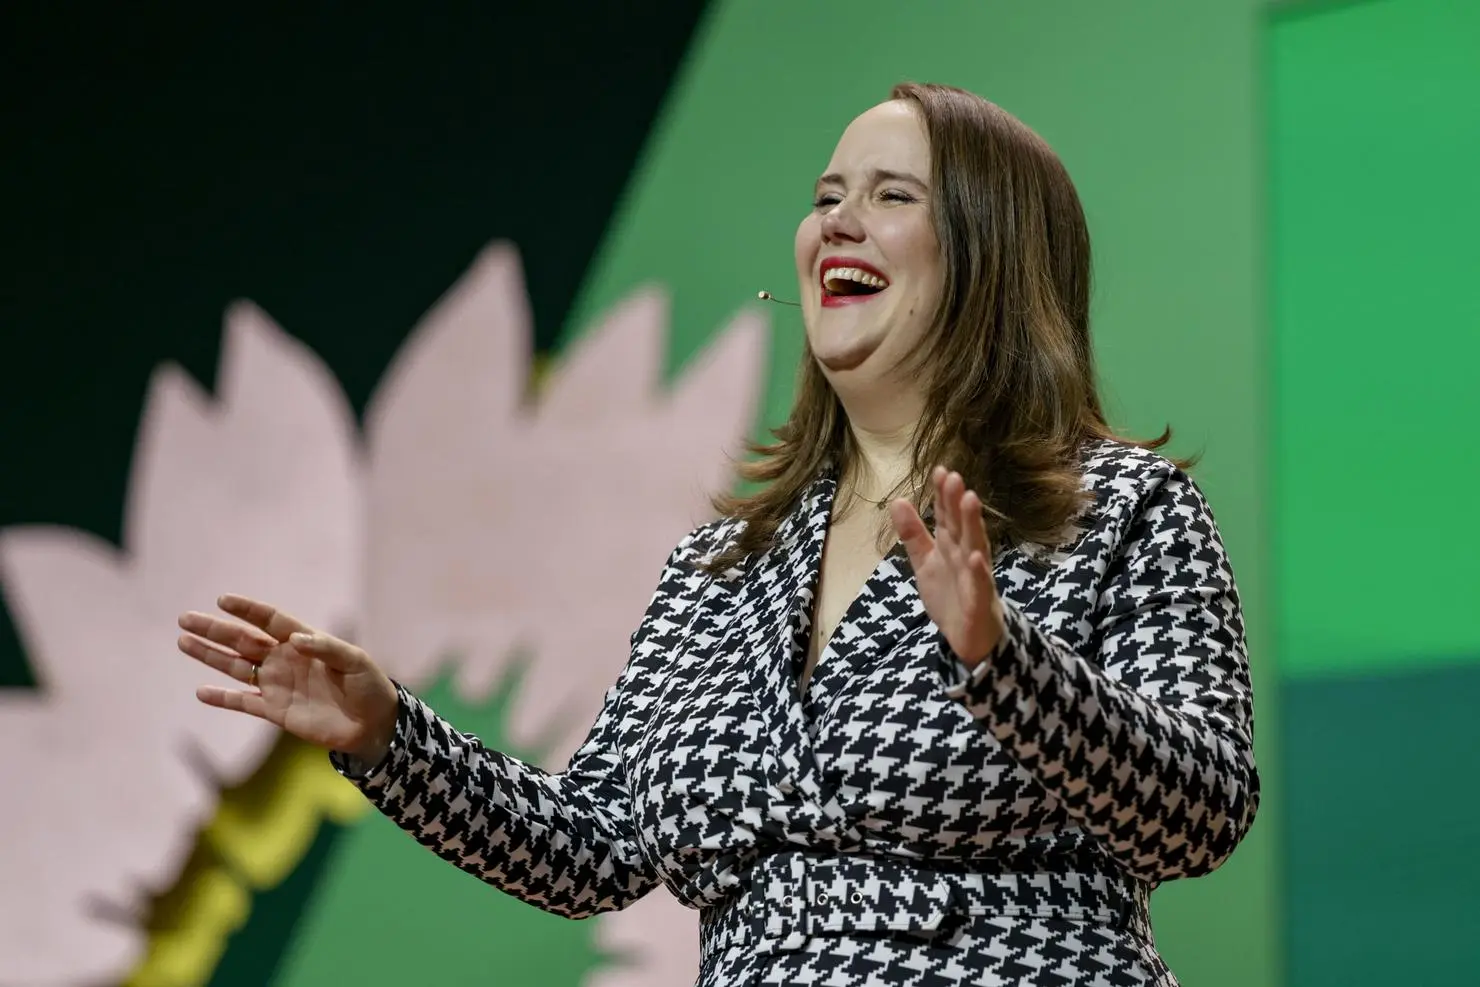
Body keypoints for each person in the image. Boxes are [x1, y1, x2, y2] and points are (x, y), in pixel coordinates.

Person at [178, 82, 1258, 986]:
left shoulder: (1120, 509)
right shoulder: (723, 565)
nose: (836, 221)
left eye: (889, 197)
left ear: (991, 253)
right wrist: (386, 737)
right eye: (826, 197)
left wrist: (1005, 667)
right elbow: (592, 851)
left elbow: (1201, 814)